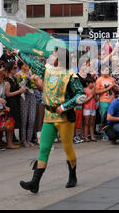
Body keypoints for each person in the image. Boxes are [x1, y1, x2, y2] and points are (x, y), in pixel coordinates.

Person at [18, 47, 86, 194]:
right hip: (48, 116)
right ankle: (35, 182)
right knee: (44, 149)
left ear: (59, 58)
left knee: (68, 148)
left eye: (53, 54)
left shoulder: (70, 75)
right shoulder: (46, 70)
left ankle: (72, 175)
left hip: (64, 117)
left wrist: (65, 106)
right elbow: (30, 62)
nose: (50, 56)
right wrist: (18, 50)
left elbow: (81, 95)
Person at [17, 60, 38, 148]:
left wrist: (32, 80)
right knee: (24, 119)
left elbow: (34, 85)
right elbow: (20, 86)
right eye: (25, 64)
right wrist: (27, 80)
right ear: (21, 65)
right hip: (23, 96)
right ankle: (23, 140)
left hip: (32, 95)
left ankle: (29, 139)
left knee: (32, 119)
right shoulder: (18, 74)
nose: (27, 65)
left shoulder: (30, 72)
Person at [4, 61, 24, 149]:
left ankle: (11, 141)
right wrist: (18, 92)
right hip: (10, 103)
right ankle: (9, 142)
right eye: (14, 68)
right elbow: (7, 94)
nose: (16, 69)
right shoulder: (7, 81)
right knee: (10, 124)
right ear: (10, 69)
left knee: (13, 124)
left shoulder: (14, 78)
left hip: (16, 102)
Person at [82, 76, 97, 142]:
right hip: (86, 108)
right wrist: (91, 95)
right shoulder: (84, 90)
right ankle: (85, 136)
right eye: (91, 83)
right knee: (86, 123)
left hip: (93, 107)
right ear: (87, 83)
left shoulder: (94, 90)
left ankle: (92, 136)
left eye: (93, 83)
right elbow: (84, 101)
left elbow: (96, 100)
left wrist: (95, 95)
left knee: (92, 123)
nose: (93, 84)